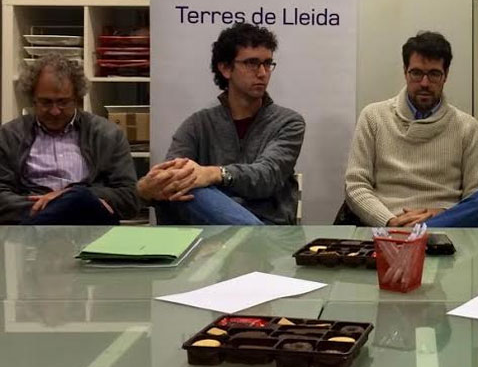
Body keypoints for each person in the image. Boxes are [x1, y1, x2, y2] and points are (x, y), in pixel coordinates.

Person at [138, 23, 305, 225]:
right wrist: (147, 188)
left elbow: (267, 177)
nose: (262, 73)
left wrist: (213, 174)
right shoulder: (198, 124)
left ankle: (251, 237)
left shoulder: (288, 122)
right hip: (207, 231)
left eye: (267, 64)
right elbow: (172, 178)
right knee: (185, 183)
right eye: (252, 63)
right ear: (225, 68)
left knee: (192, 183)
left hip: (267, 228)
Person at [343, 31, 478, 227]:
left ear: (445, 76)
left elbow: (476, 197)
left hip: (445, 227)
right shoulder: (374, 117)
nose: (424, 83)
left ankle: (415, 233)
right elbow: (355, 186)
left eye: (434, 74)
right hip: (389, 225)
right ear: (405, 72)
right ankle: (409, 233)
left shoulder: (467, 127)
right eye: (417, 73)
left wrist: (439, 213)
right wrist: (390, 221)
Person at [0, 54, 139, 224]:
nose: (55, 111)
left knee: (78, 198)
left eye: (63, 102)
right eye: (46, 102)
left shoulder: (108, 134)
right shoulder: (9, 135)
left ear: (78, 100)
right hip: (31, 220)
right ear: (32, 100)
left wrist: (70, 197)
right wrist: (55, 206)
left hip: (88, 224)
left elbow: (129, 197)